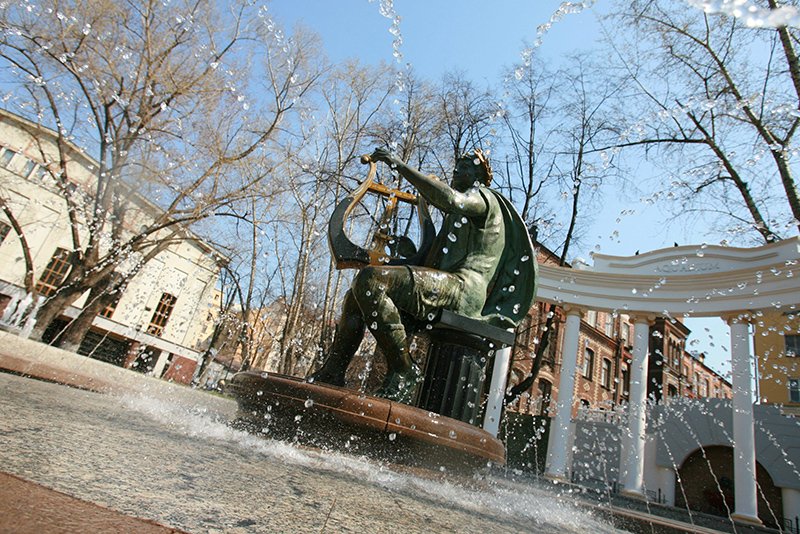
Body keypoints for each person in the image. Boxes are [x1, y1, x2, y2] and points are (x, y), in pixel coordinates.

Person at [311, 147, 517, 402]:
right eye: (457, 165)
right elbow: (431, 263)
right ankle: (333, 370)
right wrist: (407, 253)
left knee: (371, 281)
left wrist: (397, 164)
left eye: (464, 166)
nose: (456, 170)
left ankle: (403, 369)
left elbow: (452, 200)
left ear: (479, 176)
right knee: (355, 294)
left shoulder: (484, 198)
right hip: (447, 285)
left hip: (464, 291)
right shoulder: (456, 219)